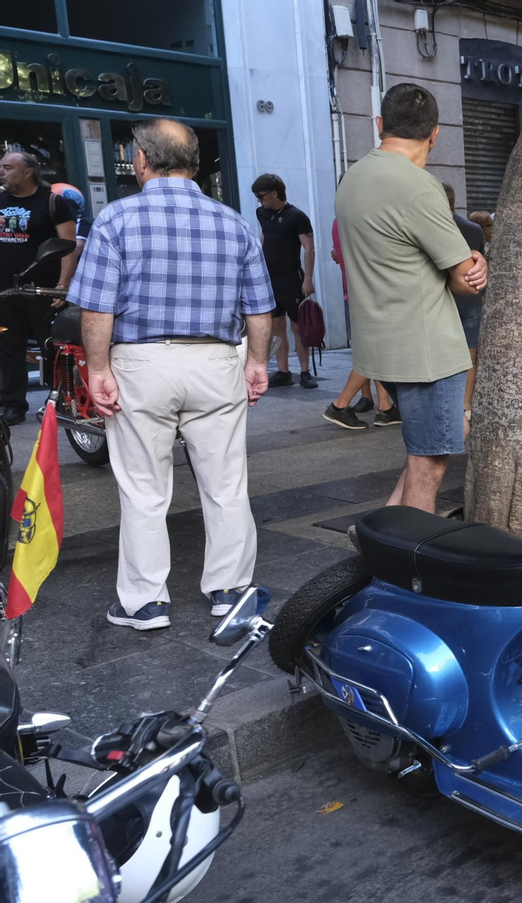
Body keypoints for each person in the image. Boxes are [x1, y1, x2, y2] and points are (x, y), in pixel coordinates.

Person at [71, 119, 275, 631]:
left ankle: (145, 602)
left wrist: (97, 370)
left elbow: (97, 309)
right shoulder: (233, 222)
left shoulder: (115, 219)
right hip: (214, 361)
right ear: (194, 162)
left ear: (142, 159)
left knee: (143, 487)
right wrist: (256, 361)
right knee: (226, 483)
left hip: (141, 363)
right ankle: (229, 592)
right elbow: (260, 309)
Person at [335, 83, 487, 511]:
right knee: (430, 465)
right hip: (427, 351)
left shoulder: (353, 178)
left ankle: (380, 539)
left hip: (381, 346)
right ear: (435, 134)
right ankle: (407, 569)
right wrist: (477, 259)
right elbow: (465, 280)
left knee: (423, 453)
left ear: (380, 125)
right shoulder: (420, 187)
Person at [0, 150, 78, 425]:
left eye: (8, 167)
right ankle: (12, 405)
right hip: (6, 292)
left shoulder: (53, 202)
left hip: (43, 291)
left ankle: (60, 400)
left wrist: (63, 285)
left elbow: (68, 247)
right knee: (9, 348)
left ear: (27, 172)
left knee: (52, 347)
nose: (2, 172)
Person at [322, 218, 396, 429]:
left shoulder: (339, 221)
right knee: (374, 354)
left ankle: (385, 408)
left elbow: (340, 254)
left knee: (375, 352)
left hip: (357, 293)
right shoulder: (363, 219)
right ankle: (340, 405)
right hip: (372, 294)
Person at [250, 173, 318, 389]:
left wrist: (307, 279)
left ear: (274, 193)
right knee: (277, 325)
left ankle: (305, 372)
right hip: (271, 278)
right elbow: (265, 237)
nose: (259, 201)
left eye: (261, 196)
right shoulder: (262, 213)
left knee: (298, 325)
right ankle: (284, 371)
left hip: (292, 278)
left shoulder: (296, 216)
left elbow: (309, 248)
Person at [441, 183, 485, 429]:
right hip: (470, 298)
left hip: (443, 298)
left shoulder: (433, 227)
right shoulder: (473, 228)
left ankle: (446, 403)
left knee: (443, 354)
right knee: (470, 355)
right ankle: (465, 407)